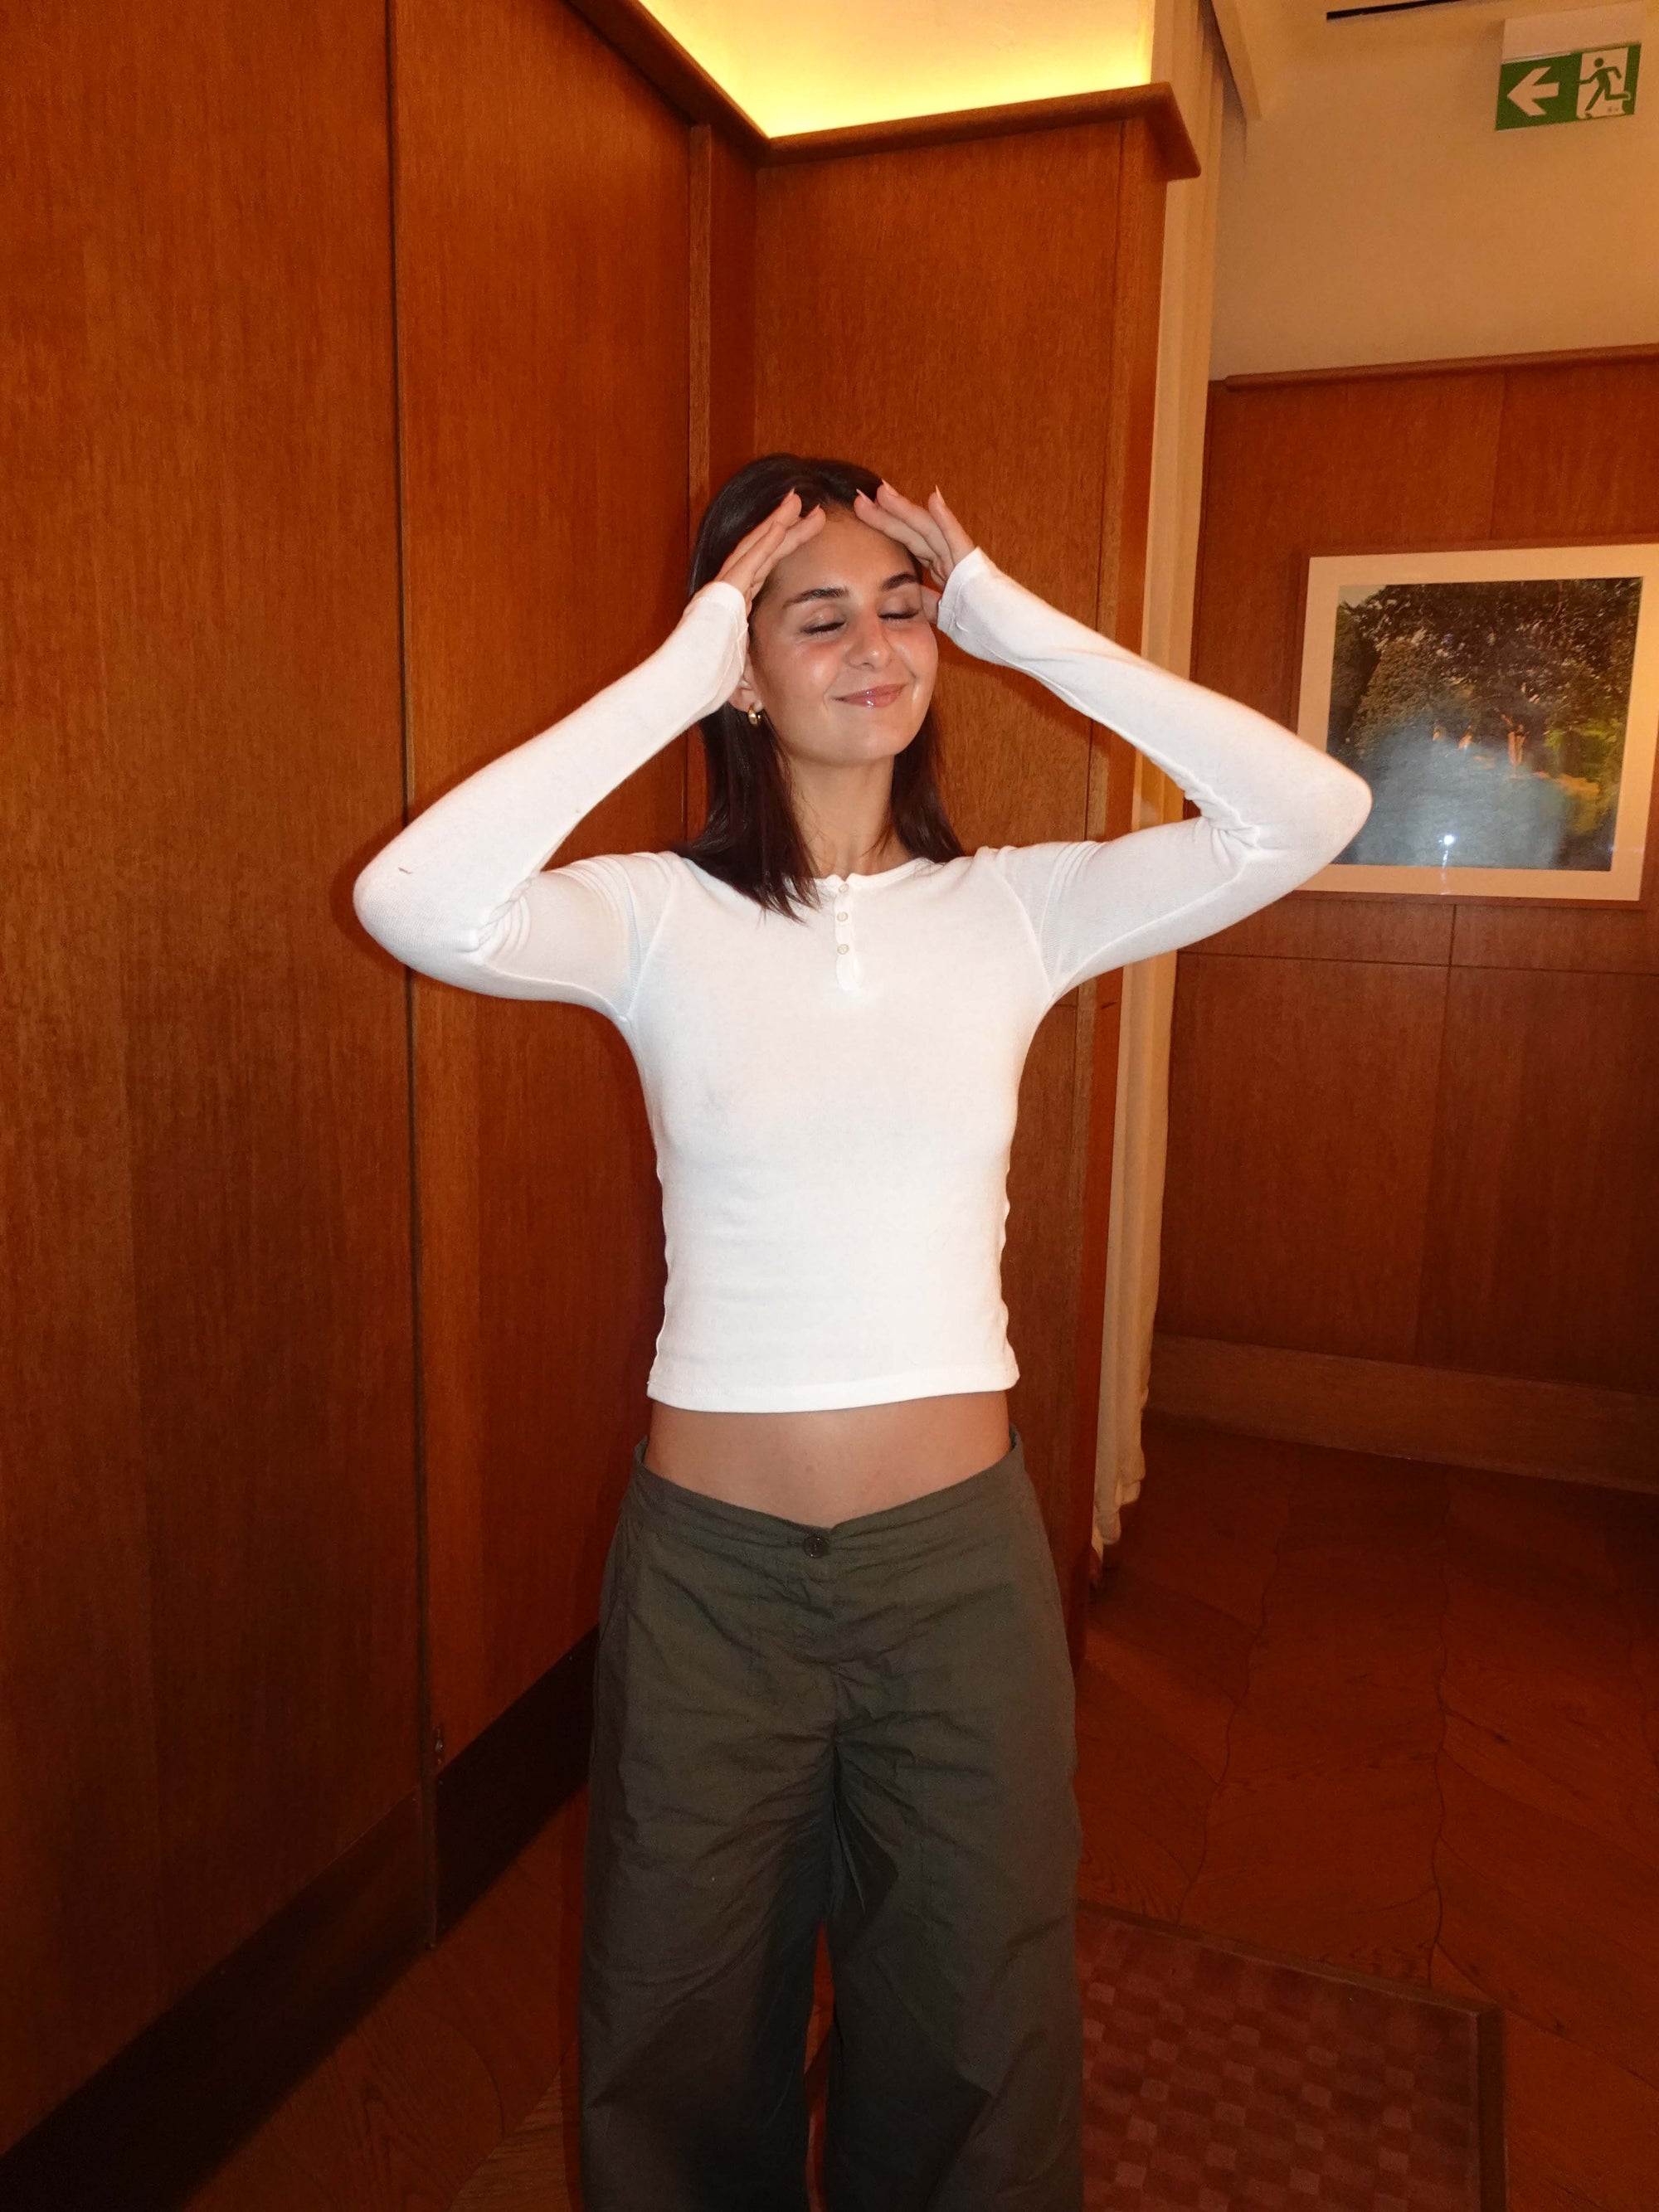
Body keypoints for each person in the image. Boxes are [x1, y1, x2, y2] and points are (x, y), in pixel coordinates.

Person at [352, 455, 1372, 2210]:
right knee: (674, 2035)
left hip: (954, 1574)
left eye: (903, 609)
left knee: (977, 2036)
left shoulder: (1019, 908)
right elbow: (413, 898)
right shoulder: (651, 917)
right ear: (743, 671)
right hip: (712, 1581)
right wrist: (677, 670)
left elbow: (1311, 807)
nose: (875, 647)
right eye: (814, 617)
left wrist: (1007, 615)